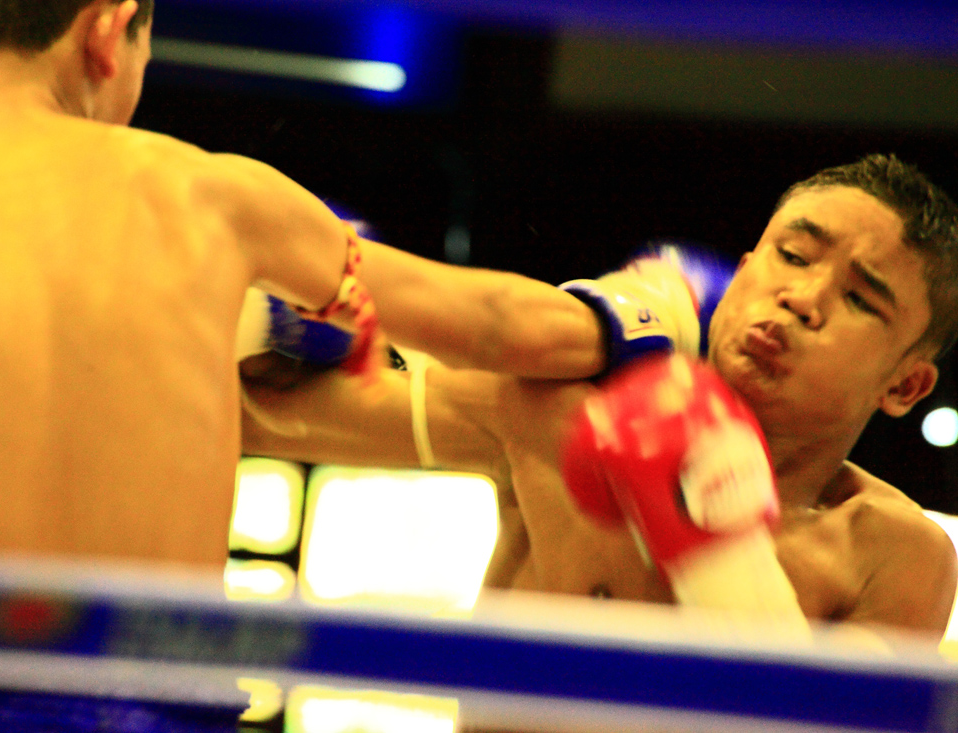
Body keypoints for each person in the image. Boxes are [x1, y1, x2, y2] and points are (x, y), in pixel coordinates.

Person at [0, 0, 609, 568]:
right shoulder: (212, 199)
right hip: (149, 692)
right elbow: (507, 327)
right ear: (108, 34)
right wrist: (652, 310)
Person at [242, 154, 958, 640]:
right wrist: (260, 327)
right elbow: (261, 421)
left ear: (906, 384)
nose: (802, 297)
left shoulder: (894, 553)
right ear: (742, 272)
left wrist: (719, 555)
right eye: (792, 256)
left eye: (861, 300)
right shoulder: (557, 409)